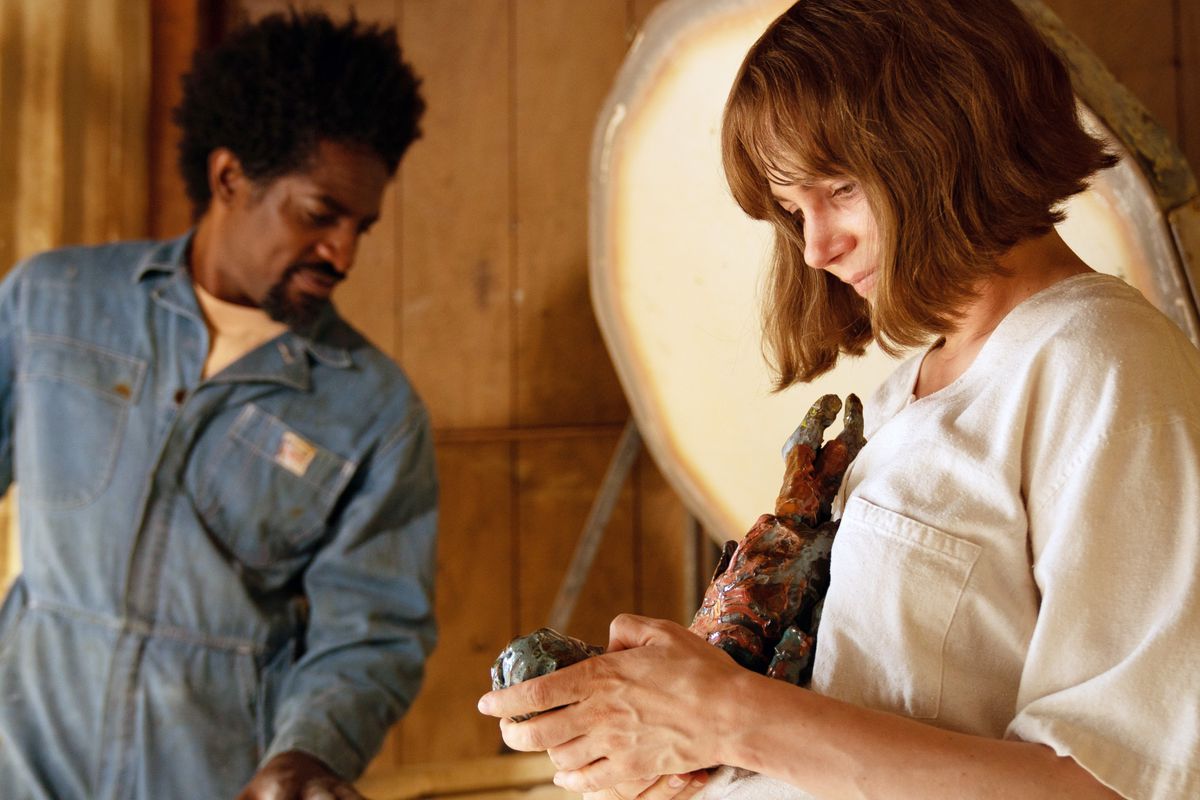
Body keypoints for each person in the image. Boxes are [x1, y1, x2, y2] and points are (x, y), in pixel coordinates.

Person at [478, 1, 1200, 798]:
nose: (817, 247)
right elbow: (857, 728)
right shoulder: (901, 399)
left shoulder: (1104, 367)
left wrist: (726, 715)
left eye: (841, 188)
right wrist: (689, 745)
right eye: (794, 211)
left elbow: (1115, 786)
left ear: (949, 137)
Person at [0, 10, 437, 800]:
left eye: (360, 227)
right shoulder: (50, 303)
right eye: (319, 215)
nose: (344, 253)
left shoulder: (372, 408)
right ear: (230, 176)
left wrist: (307, 755)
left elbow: (370, 636)